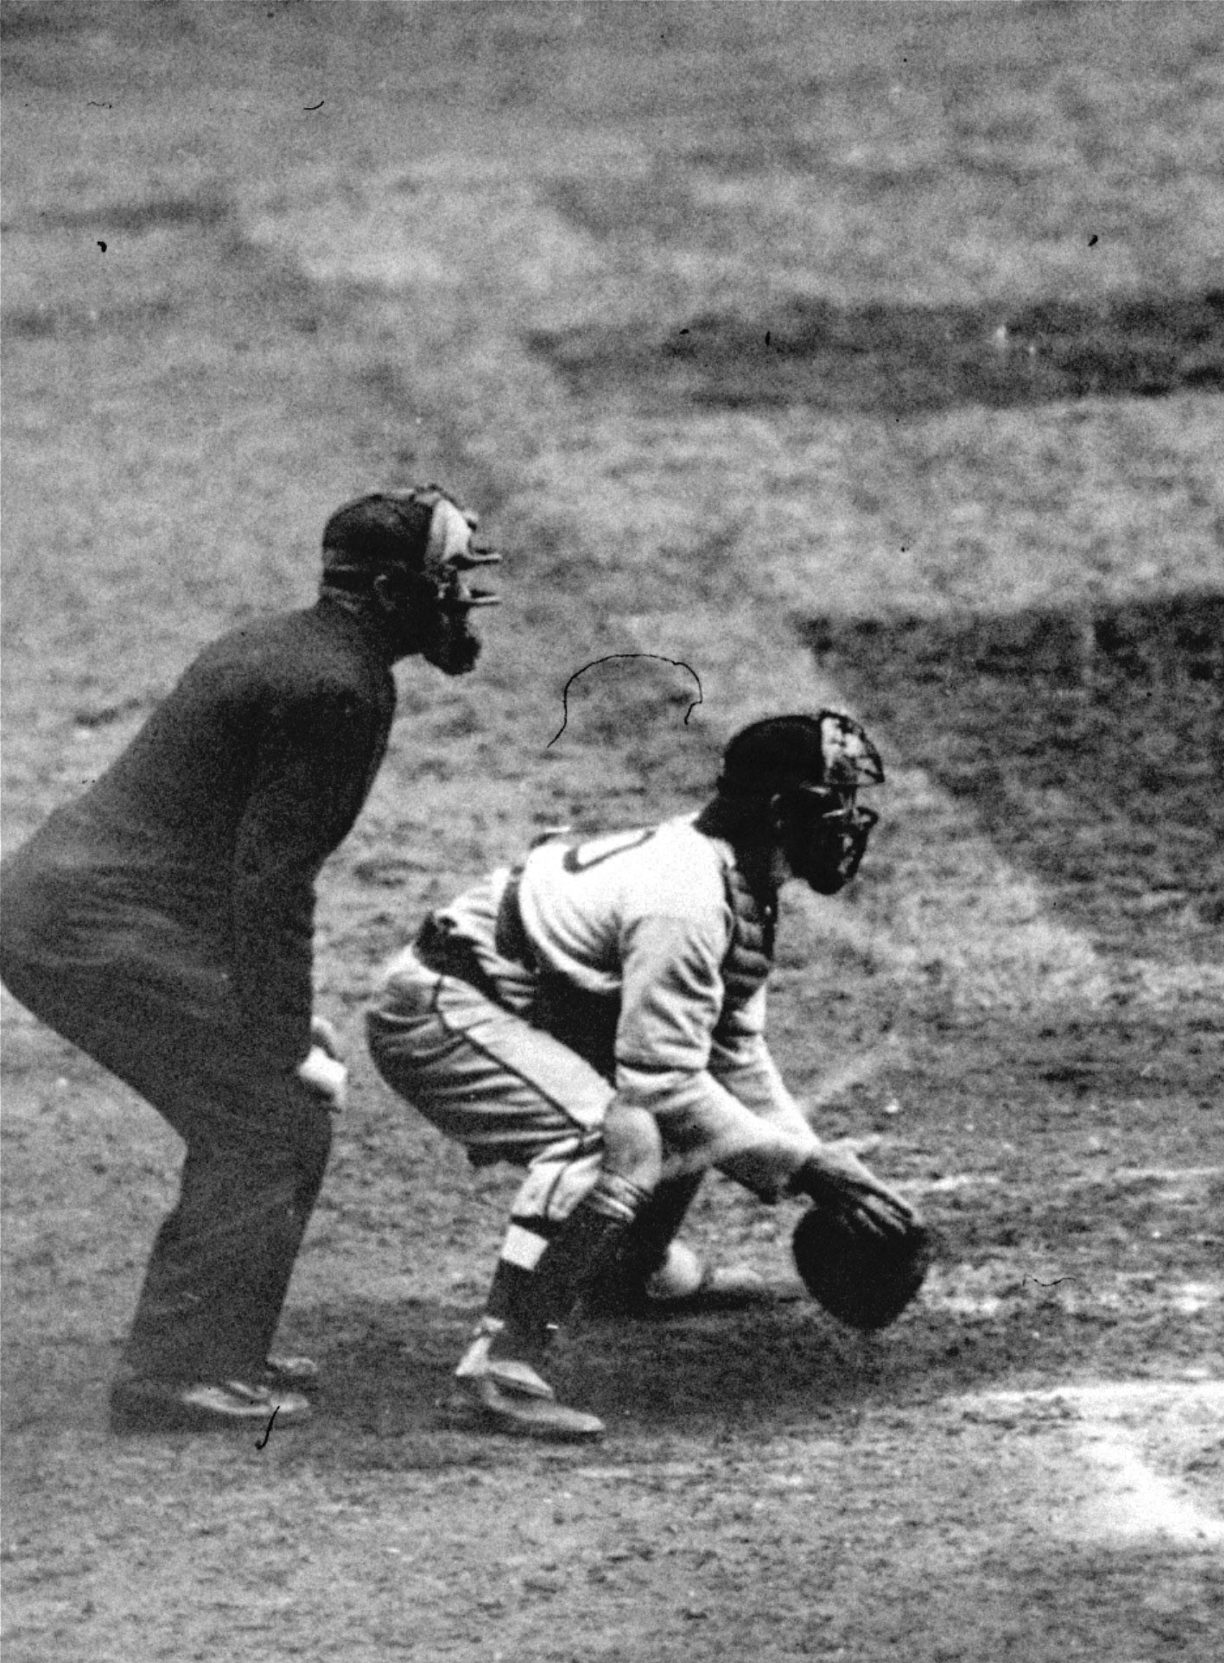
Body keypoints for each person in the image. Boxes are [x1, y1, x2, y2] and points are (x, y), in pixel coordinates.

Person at [0, 485, 501, 1433]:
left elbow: (220, 863)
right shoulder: (339, 688)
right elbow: (271, 882)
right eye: (445, 580)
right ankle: (176, 1376)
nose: (461, 600)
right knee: (266, 1115)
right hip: (92, 931)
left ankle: (218, 1350)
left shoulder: (294, 647)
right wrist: (270, 1028)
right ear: (392, 591)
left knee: (278, 1108)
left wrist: (258, 1014)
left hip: (89, 916)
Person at [366, 710, 920, 1441]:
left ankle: (627, 1271)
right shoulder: (685, 900)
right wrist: (811, 1171)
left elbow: (730, 1055)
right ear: (784, 811)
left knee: (684, 1097)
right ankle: (497, 1371)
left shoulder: (738, 880)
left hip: (509, 1003)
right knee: (621, 1135)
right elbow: (662, 1084)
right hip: (438, 1011)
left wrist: (820, 1169)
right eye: (835, 801)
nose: (849, 822)